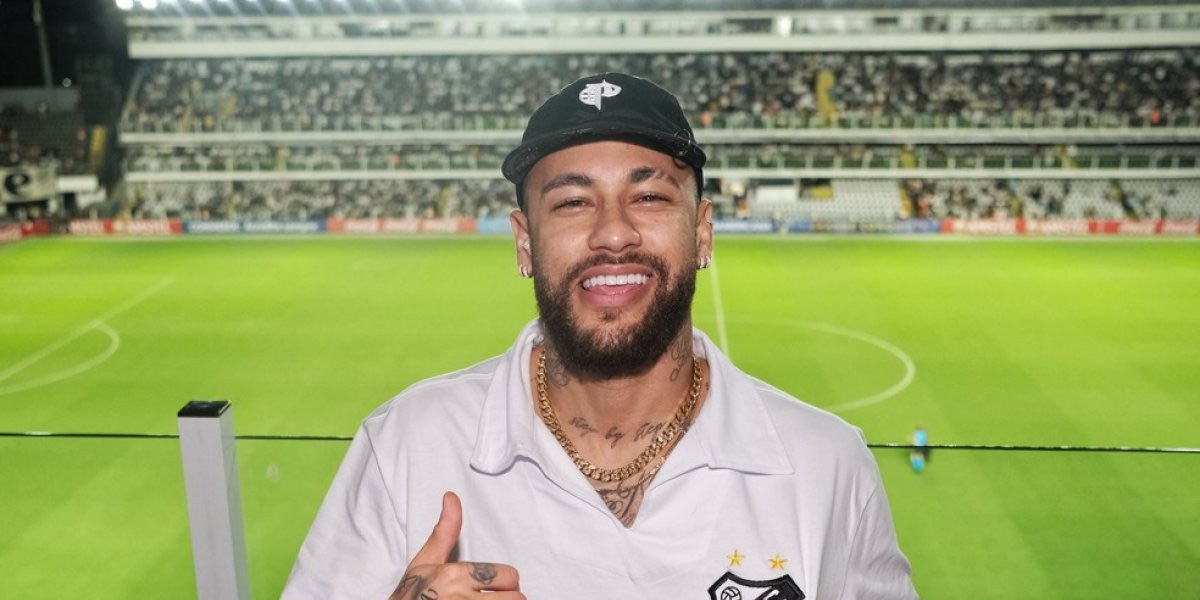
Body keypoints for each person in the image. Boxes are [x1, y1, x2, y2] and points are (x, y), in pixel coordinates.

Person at [283, 72, 916, 599]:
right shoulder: (406, 446)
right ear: (524, 242)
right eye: (572, 202)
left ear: (702, 231)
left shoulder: (826, 466)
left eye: (649, 197)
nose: (614, 233)